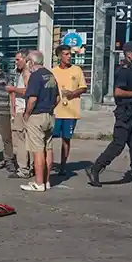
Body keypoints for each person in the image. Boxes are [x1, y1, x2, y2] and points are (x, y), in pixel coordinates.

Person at [86, 41, 132, 191]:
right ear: (129, 54)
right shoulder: (123, 70)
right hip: (124, 113)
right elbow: (117, 92)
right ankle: (96, 168)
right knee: (117, 145)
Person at [20, 50, 59, 192]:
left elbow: (32, 99)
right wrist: (49, 107)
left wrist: (26, 114)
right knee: (48, 149)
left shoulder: (35, 76)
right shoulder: (50, 75)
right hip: (49, 115)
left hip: (37, 116)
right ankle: (47, 181)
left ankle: (39, 183)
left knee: (37, 151)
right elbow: (58, 98)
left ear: (31, 62)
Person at [50, 45, 88, 176]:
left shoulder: (77, 70)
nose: (69, 56)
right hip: (55, 111)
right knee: (48, 138)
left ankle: (63, 166)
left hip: (71, 111)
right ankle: (47, 164)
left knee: (66, 139)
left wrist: (73, 93)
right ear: (59, 56)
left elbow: (83, 88)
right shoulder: (53, 71)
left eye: (70, 54)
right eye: (66, 54)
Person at [6, 49, 32, 179]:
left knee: (21, 141)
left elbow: (28, 91)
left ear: (26, 59)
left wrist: (13, 89)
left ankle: (23, 169)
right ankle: (29, 166)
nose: (16, 63)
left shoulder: (27, 72)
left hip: (23, 110)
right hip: (19, 109)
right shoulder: (19, 73)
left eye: (18, 60)